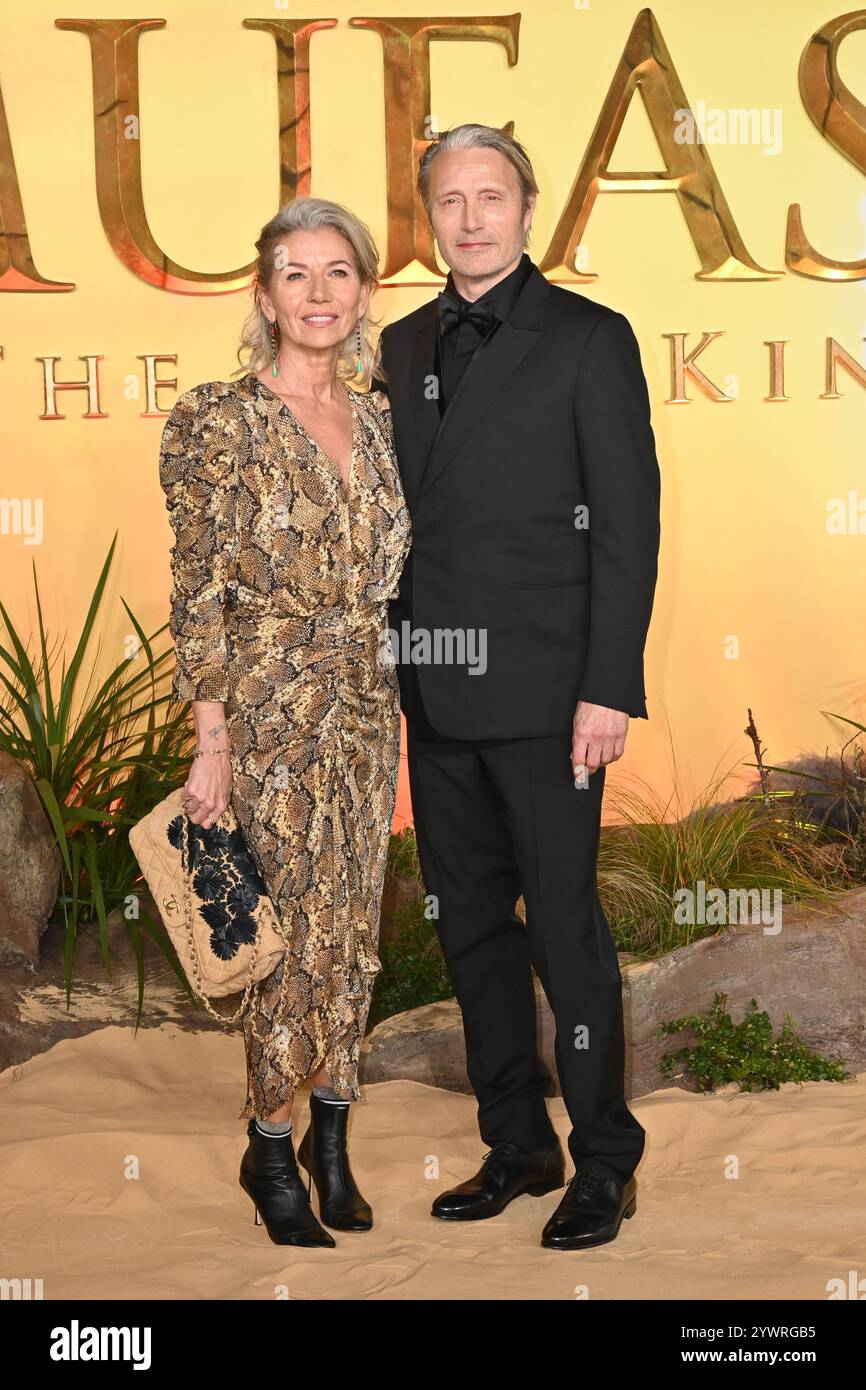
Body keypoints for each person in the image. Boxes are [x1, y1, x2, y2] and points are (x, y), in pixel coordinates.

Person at [376, 124, 661, 1250]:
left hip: (550, 699)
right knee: (472, 934)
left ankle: (603, 1158)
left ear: (527, 208)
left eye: (489, 196)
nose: (470, 218)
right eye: (449, 200)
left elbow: (626, 532)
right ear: (428, 215)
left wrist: (608, 686)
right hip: (435, 695)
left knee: (566, 936)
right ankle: (516, 1142)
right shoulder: (399, 345)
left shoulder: (590, 339)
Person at [158, 197, 410, 1248]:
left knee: (354, 922)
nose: (317, 293)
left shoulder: (387, 415)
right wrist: (209, 739)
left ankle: (332, 1138)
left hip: (365, 703)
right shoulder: (215, 419)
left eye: (337, 272)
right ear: (263, 294)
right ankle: (268, 1141)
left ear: (362, 292)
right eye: (295, 274)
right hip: (264, 707)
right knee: (286, 935)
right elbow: (198, 587)